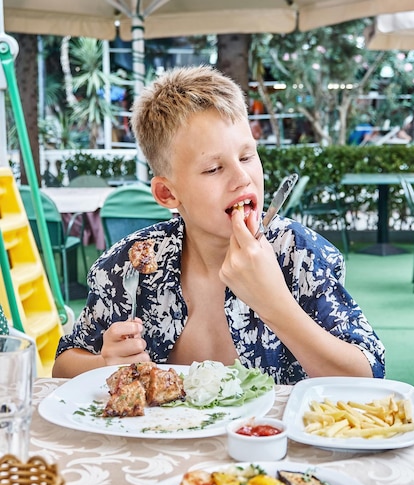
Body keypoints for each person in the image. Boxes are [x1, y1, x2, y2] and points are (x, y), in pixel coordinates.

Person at [52, 65, 385, 384]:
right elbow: (62, 365)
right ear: (168, 193)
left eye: (246, 156)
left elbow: (369, 376)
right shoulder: (131, 264)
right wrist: (103, 364)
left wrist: (274, 304)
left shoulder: (299, 255)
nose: (243, 179)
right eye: (213, 169)